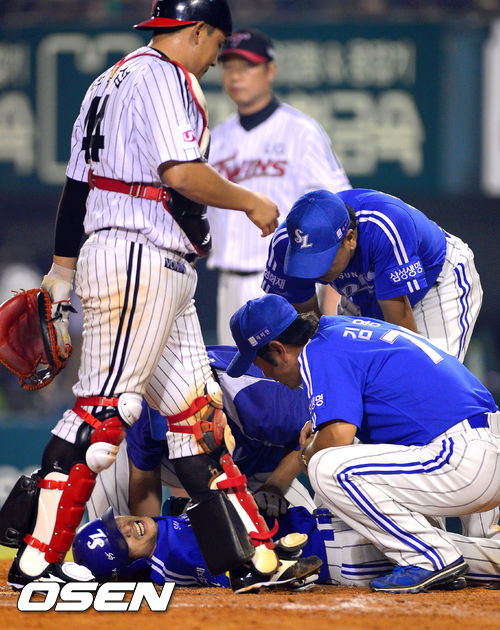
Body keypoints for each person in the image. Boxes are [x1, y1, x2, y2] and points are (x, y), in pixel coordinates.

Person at [0, 0, 323, 594]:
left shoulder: (107, 82)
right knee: (104, 413)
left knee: (198, 420)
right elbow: (181, 173)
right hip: (136, 258)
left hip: (155, 266)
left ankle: (248, 557)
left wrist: (64, 267)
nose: (215, 59)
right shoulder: (166, 77)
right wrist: (250, 201)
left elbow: (77, 187)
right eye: (216, 44)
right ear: (198, 31)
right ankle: (36, 557)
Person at [225, 294, 500, 593]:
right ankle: (471, 559)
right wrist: (320, 434)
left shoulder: (317, 351)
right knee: (401, 533)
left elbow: (337, 439)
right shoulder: (337, 331)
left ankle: (430, 559)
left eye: (259, 363)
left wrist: (308, 451)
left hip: (460, 457)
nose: (265, 374)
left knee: (327, 467)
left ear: (278, 349)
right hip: (474, 447)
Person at [206, 28, 351, 344]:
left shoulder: (301, 131)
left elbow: (339, 207)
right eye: (229, 66)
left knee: (288, 371)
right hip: (227, 282)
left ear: (270, 70)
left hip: (285, 281)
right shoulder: (216, 138)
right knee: (235, 373)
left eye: (247, 66)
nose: (236, 76)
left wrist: (333, 293)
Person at [87, 344, 316, 520]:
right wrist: (154, 540)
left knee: (310, 531)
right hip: (177, 463)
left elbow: (309, 438)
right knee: (106, 449)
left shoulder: (263, 396)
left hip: (261, 470)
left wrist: (274, 486)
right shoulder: (146, 403)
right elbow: (145, 477)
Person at [263, 188, 482, 364]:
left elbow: (403, 332)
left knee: (426, 377)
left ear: (350, 238)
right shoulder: (285, 244)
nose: (314, 270)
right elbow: (309, 328)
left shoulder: (384, 226)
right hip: (362, 291)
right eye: (305, 261)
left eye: (322, 259)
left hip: (435, 283)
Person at [72, 505, 500, 590]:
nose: (127, 526)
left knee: (457, 541)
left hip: (332, 524)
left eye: (117, 522)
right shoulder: (173, 557)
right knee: (467, 557)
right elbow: (245, 575)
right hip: (339, 550)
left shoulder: (166, 531)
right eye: (122, 538)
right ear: (126, 560)